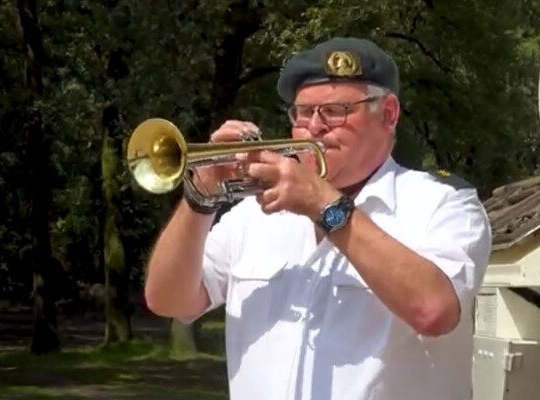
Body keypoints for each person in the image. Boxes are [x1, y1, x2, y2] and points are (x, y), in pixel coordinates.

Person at [143, 37, 492, 400]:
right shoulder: (253, 215)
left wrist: (324, 206)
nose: (314, 127)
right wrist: (201, 197)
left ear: (388, 113)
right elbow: (168, 300)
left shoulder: (441, 203)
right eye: (302, 113)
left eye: (336, 111)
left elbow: (433, 310)